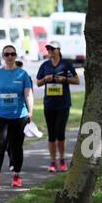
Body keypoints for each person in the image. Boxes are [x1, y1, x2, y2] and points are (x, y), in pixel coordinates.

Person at [0, 45, 33, 187]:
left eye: (12, 54)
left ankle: (16, 175)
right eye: (6, 54)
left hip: (19, 116)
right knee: (0, 145)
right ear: (3, 56)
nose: (9, 57)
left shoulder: (22, 74)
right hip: (0, 115)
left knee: (17, 147)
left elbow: (28, 94)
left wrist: (30, 112)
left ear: (16, 56)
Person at [36, 40, 79, 172]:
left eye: (52, 49)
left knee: (60, 132)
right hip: (49, 104)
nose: (50, 51)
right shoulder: (45, 65)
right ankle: (53, 162)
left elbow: (77, 80)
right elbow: (38, 83)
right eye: (48, 49)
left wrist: (65, 79)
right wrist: (45, 79)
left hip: (63, 104)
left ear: (58, 49)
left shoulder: (66, 64)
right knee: (51, 134)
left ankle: (62, 159)